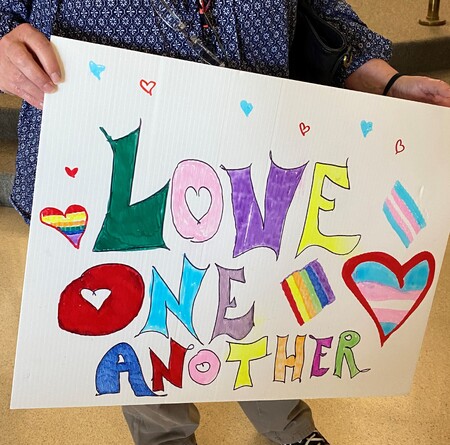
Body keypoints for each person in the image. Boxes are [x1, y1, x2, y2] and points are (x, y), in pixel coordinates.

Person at [1, 1, 449, 444]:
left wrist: (387, 84)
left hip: (259, 154)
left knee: (263, 297)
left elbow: (316, 9)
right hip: (120, 161)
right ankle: (166, 439)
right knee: (150, 316)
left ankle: (288, 424)